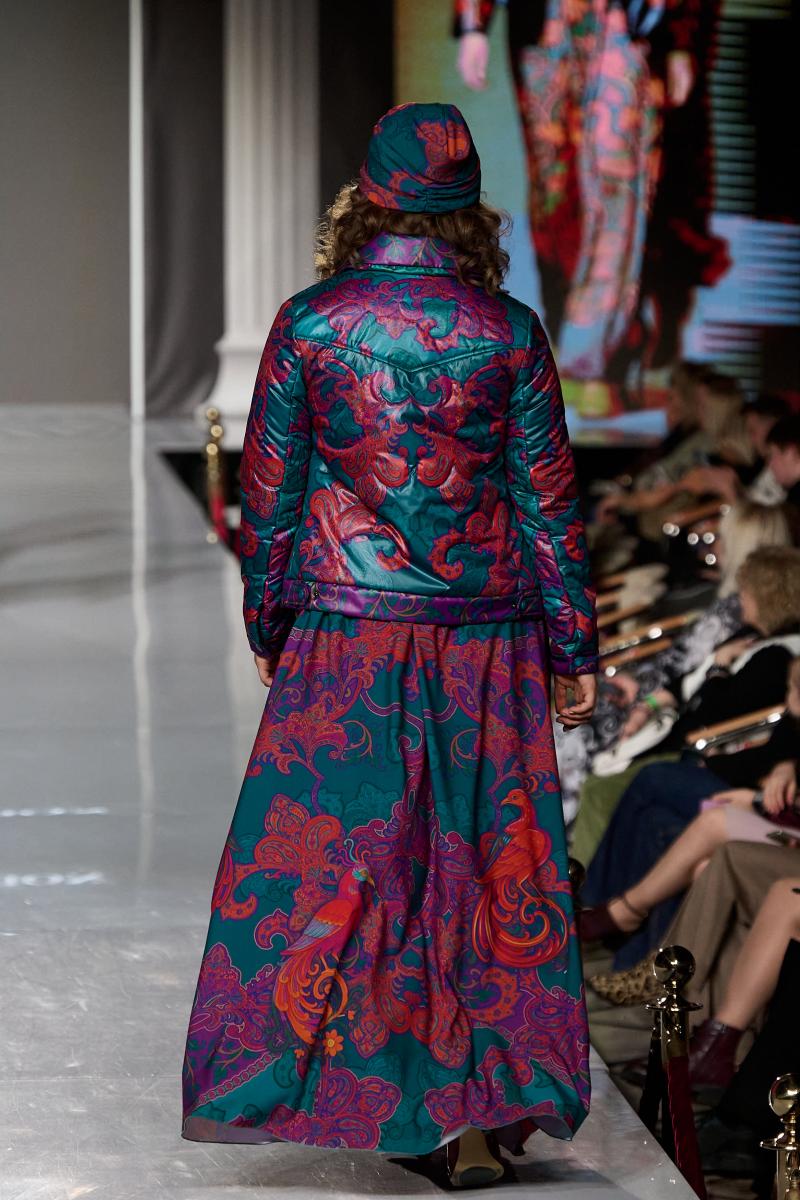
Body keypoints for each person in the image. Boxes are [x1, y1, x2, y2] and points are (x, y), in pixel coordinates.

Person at [180, 103, 598, 1187]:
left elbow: (271, 491)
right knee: (478, 867)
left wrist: (268, 617)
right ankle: (472, 1113)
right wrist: (573, 645)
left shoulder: (311, 324)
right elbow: (548, 502)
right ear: (469, 209)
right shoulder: (508, 331)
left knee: (347, 868)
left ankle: (376, 1093)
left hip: (347, 630)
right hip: (483, 641)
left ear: (365, 197)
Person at [454, 0, 727, 414]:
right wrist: (474, 21)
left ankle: (592, 358)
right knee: (553, 192)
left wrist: (680, 38)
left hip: (622, 26)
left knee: (616, 185)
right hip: (546, 27)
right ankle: (571, 344)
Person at [559, 500, 792, 833]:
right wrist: (650, 699)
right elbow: (686, 675)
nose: (716, 544)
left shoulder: (764, 646)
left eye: (723, 537)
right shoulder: (744, 625)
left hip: (673, 729)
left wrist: (712, 670)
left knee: (573, 739)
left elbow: (705, 701)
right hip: (656, 705)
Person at [580, 650, 800, 968]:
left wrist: (753, 799)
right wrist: (785, 765)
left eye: (793, 689)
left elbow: (722, 711)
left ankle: (615, 913)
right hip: (765, 805)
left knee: (658, 781)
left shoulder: (775, 655)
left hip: (777, 821)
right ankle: (628, 953)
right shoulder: (791, 717)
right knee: (659, 821)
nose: (788, 695)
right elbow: (786, 735)